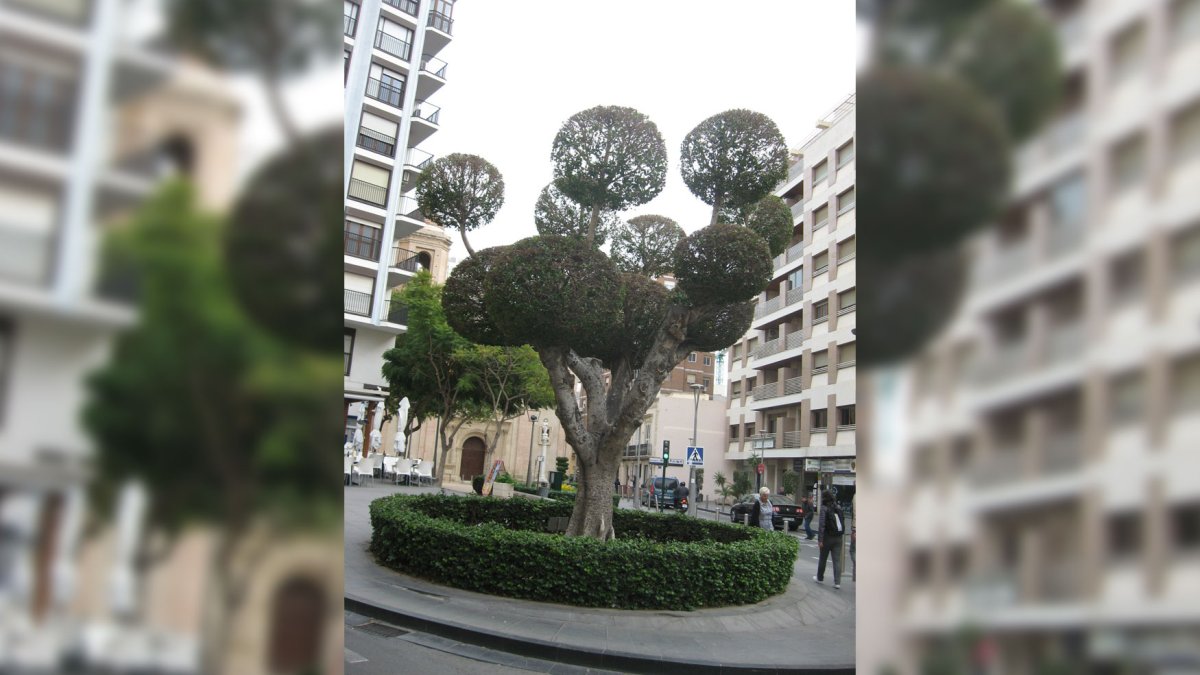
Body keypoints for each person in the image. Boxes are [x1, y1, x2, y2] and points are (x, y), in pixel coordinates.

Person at [813, 489, 845, 589]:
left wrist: (820, 540)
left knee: (823, 558)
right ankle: (837, 582)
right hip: (838, 537)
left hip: (827, 537)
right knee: (836, 560)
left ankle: (820, 577)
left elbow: (822, 525)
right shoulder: (838, 507)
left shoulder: (824, 508)